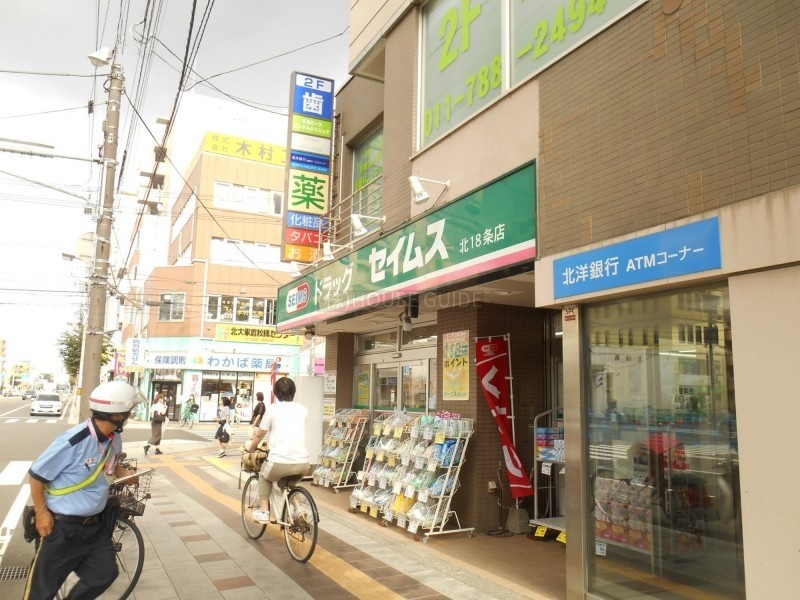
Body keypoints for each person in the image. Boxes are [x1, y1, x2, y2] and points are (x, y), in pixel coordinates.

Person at [23, 381, 143, 600]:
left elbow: (111, 465)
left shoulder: (114, 439)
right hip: (61, 530)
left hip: (93, 527)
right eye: (129, 411)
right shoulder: (73, 441)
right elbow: (37, 475)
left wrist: (126, 474)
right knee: (41, 593)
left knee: (104, 573)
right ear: (118, 415)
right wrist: (41, 513)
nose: (129, 415)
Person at [247, 377, 309, 524]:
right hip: (303, 463)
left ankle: (264, 512)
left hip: (279, 462)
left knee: (264, 476)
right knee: (286, 483)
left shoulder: (272, 410)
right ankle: (299, 509)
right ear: (293, 392)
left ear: (276, 393)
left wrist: (251, 448)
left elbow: (259, 434)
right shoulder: (303, 410)